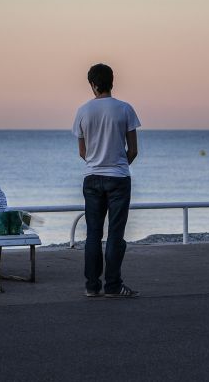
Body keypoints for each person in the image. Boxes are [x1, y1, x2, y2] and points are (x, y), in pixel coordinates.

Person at [72, 63, 141, 298]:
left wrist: (96, 164)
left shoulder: (83, 111)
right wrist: (118, 166)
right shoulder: (125, 109)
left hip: (91, 178)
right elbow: (133, 150)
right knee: (115, 234)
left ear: (93, 84)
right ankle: (113, 286)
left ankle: (92, 286)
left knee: (93, 234)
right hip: (119, 178)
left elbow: (82, 151)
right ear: (112, 81)